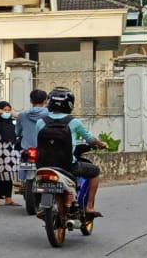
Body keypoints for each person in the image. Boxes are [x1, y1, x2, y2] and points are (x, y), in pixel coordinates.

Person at [35, 88, 106, 218]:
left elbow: (37, 143)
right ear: (70, 104)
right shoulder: (74, 122)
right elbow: (90, 139)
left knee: (43, 181)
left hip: (44, 164)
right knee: (95, 171)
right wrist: (101, 144)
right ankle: (89, 207)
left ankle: (44, 206)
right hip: (68, 166)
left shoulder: (41, 122)